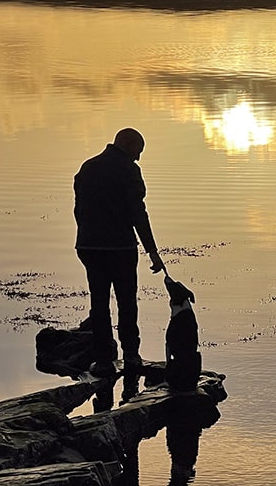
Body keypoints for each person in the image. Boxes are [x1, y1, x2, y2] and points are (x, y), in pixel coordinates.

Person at [74, 128, 164, 377]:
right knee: (126, 302)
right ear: (127, 144)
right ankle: (132, 356)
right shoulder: (128, 170)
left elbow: (78, 211)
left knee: (99, 304)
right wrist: (152, 251)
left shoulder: (87, 168)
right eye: (138, 152)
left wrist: (87, 237)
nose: (138, 159)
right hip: (120, 247)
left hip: (89, 247)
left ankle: (103, 361)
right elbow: (138, 213)